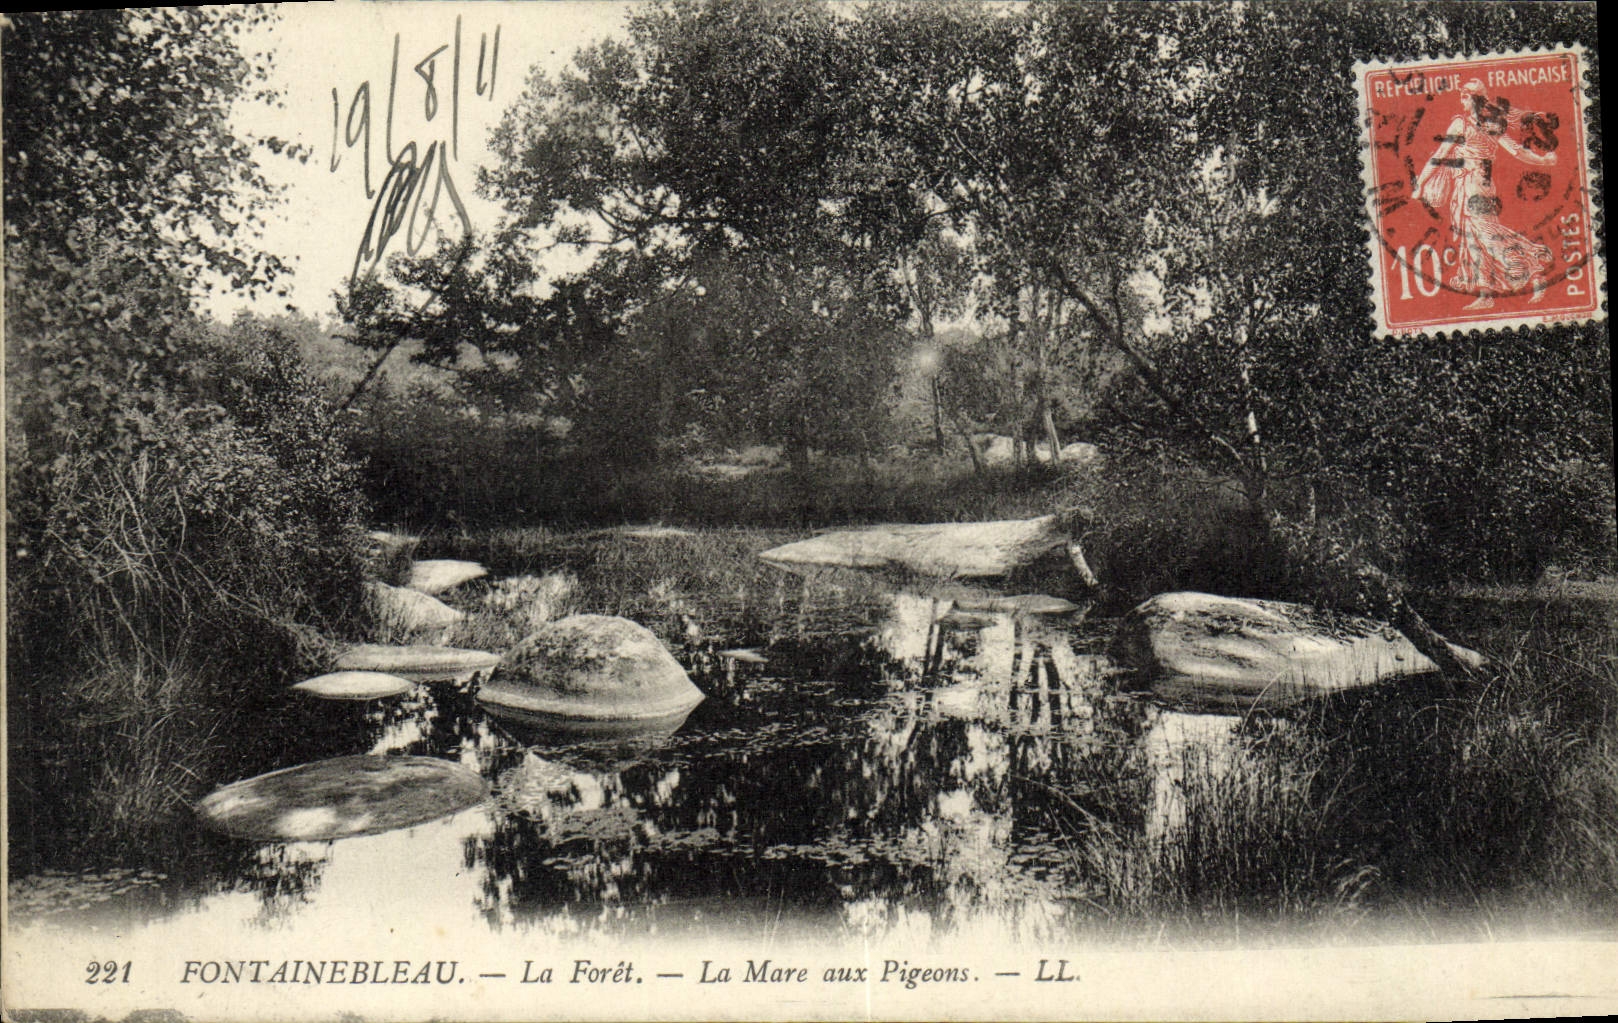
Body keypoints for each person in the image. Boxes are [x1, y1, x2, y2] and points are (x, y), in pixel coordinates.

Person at [1414, 79, 1558, 309]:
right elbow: (1519, 152)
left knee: (1488, 236)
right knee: (1474, 239)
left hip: (1471, 186)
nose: (1461, 99)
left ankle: (1533, 269)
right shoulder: (1493, 125)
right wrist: (1543, 160)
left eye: (1464, 96)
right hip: (1483, 186)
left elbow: (1440, 154)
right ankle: (1485, 294)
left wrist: (1420, 183)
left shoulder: (1460, 124)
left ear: (1474, 99)